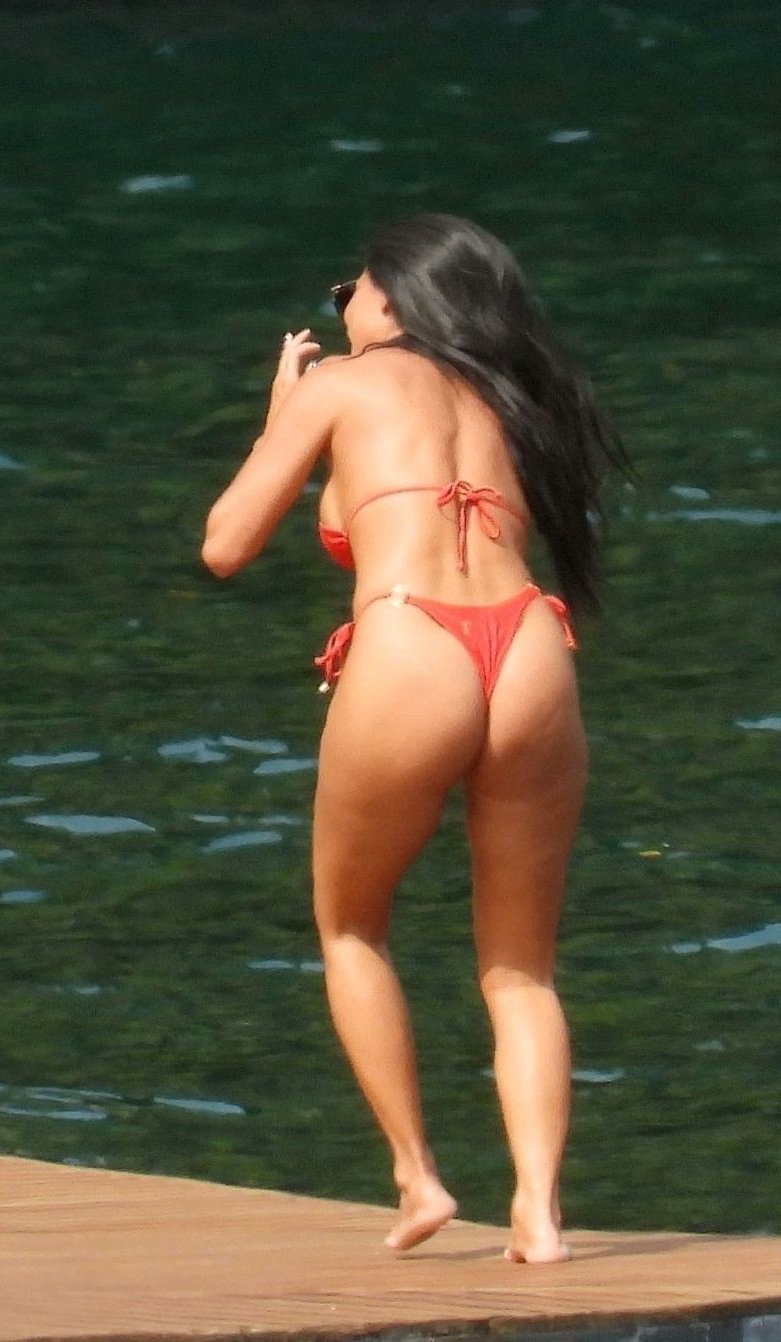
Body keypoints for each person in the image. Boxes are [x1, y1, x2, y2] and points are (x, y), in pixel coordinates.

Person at [201, 214, 628, 1264]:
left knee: (351, 927)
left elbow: (225, 544)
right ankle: (539, 1211)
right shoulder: (511, 393)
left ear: (390, 296)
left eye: (345, 289)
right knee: (521, 968)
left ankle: (419, 1176)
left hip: (409, 641)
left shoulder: (343, 386)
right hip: (528, 645)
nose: (340, 306)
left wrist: (283, 418)